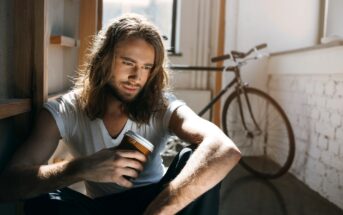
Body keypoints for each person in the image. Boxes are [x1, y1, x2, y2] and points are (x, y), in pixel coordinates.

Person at [0, 14, 241, 214]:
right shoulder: (65, 109)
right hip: (102, 209)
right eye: (128, 63)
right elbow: (9, 184)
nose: (138, 77)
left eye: (146, 67)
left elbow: (224, 148)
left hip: (156, 202)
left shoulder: (161, 104)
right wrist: (80, 168)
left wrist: (161, 209)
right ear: (103, 60)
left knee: (198, 157)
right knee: (41, 200)